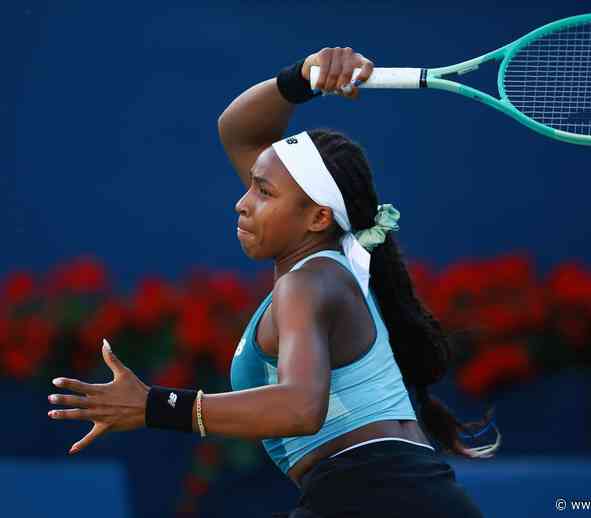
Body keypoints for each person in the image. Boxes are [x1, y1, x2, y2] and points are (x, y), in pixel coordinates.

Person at [47, 46, 500, 518]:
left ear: (318, 217)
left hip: (375, 496)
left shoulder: (308, 282)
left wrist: (154, 407)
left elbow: (301, 408)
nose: (242, 203)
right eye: (250, 185)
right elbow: (237, 130)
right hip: (388, 493)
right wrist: (300, 78)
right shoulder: (319, 250)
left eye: (262, 192)